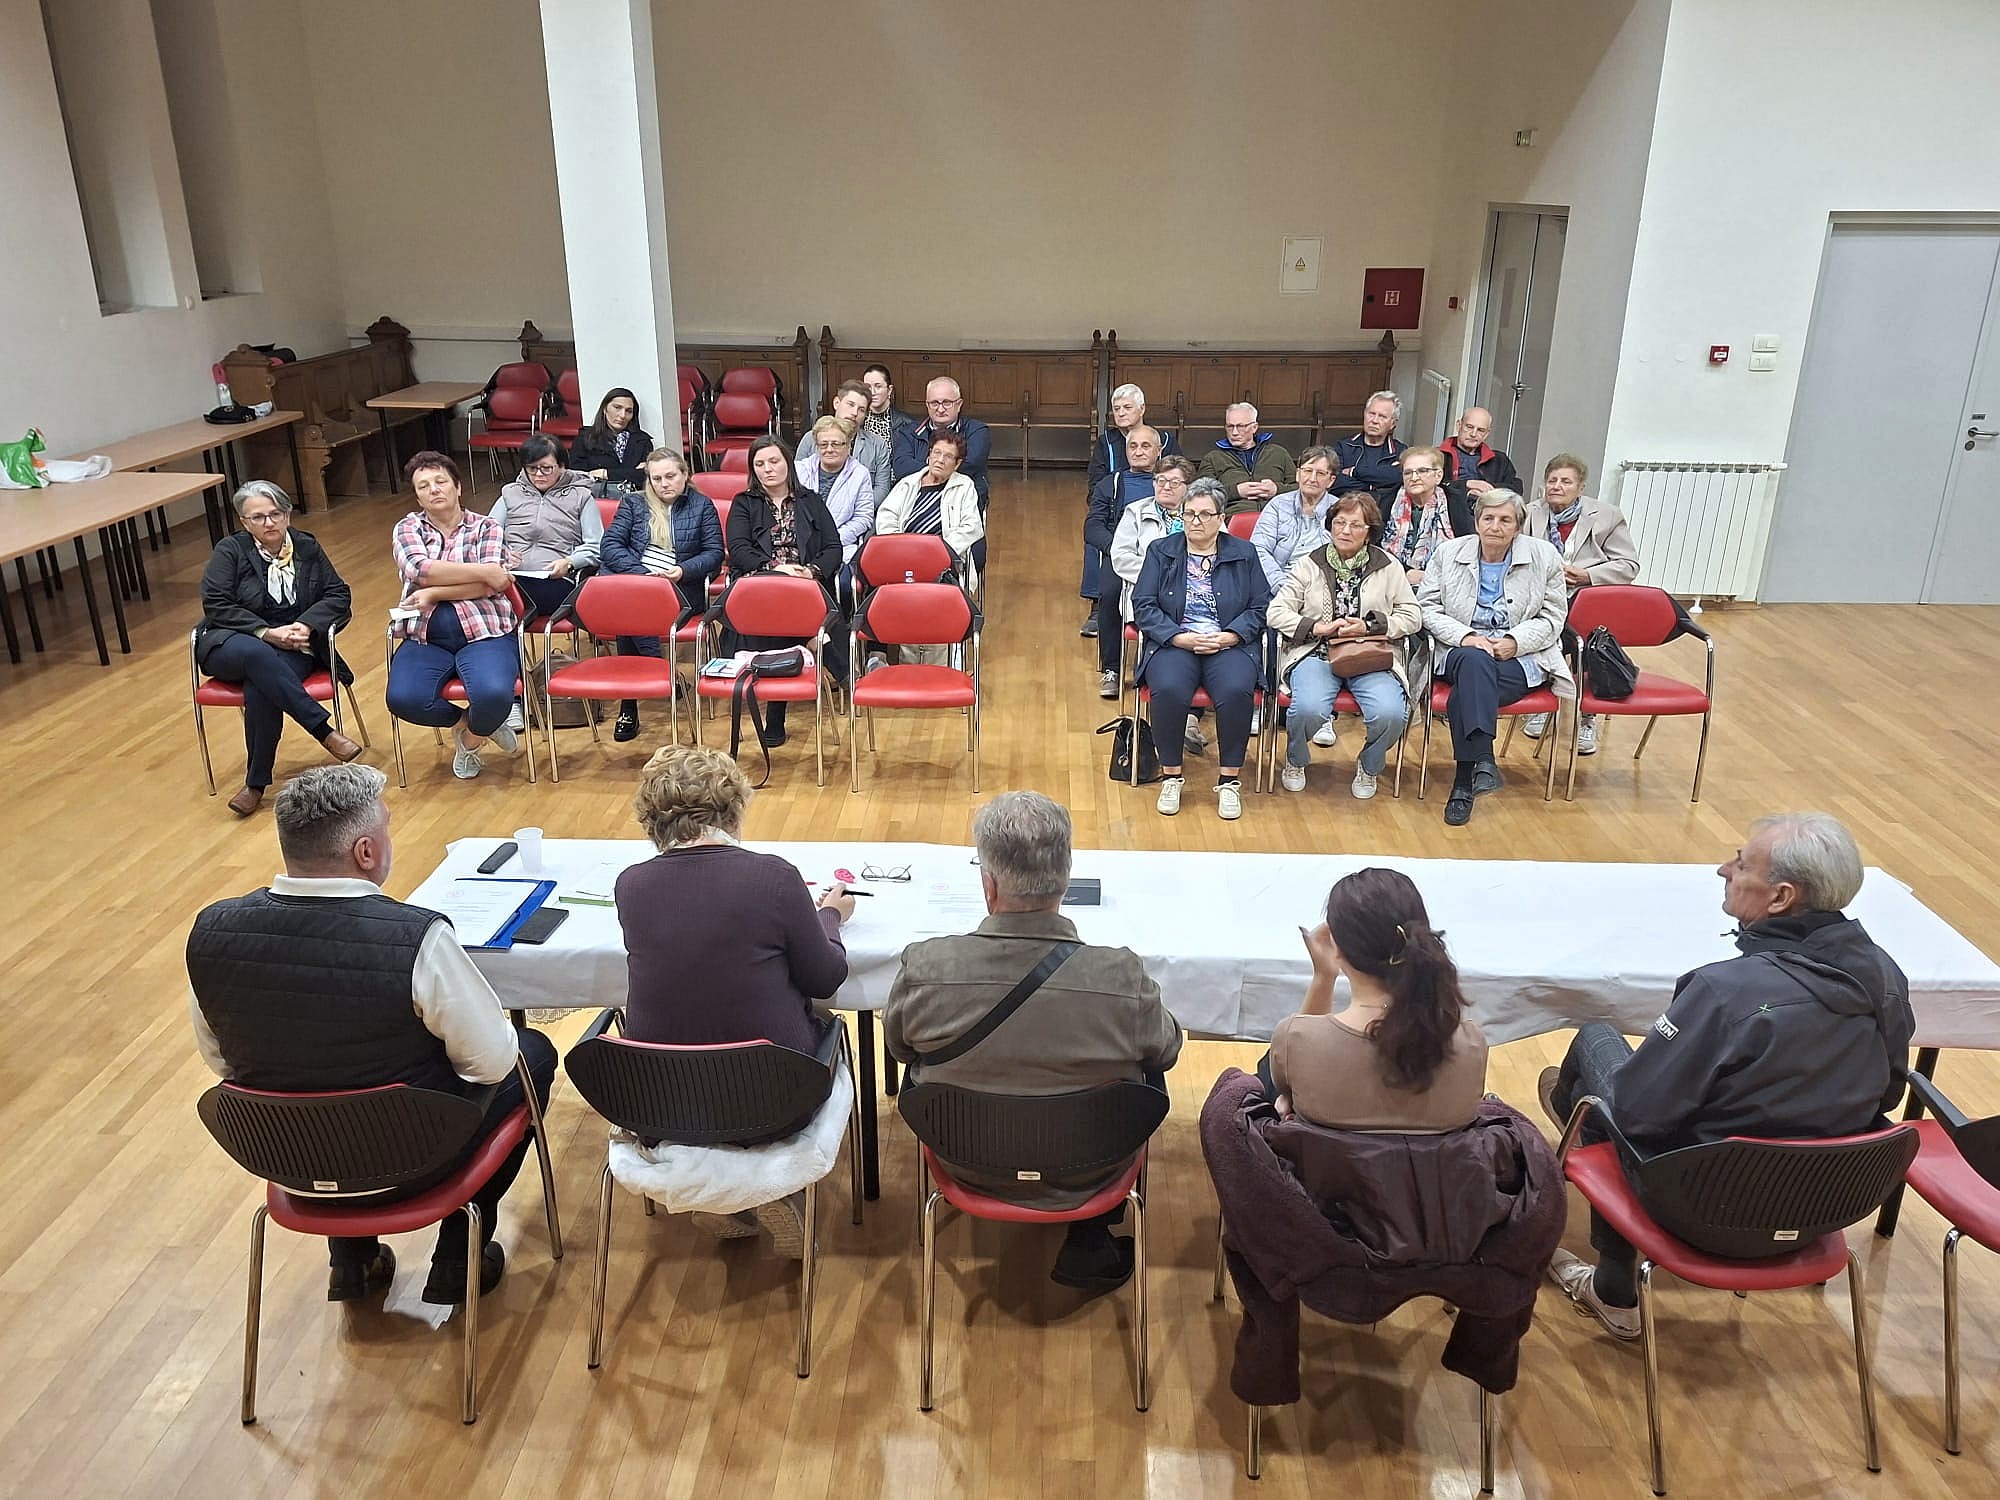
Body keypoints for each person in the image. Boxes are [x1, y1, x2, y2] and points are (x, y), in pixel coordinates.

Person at [186, 764, 558, 1303]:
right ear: (365, 852)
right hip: (412, 1160)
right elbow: (490, 1063)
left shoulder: (211, 933)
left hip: (285, 1157)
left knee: (308, 1082)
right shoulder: (416, 937)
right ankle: (460, 1256)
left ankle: (353, 1263)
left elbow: (222, 1061)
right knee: (532, 1054)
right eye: (385, 826)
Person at [1541, 813, 1915, 1340]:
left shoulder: (1724, 993)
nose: (1723, 870)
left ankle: (1612, 1288)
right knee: (1620, 1100)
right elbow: (1890, 1094)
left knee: (1595, 1060)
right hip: (1823, 1208)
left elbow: (1635, 1113)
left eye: (1740, 865)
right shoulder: (1887, 977)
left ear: (1781, 897)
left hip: (1708, 1209)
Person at [883, 791, 1182, 1293]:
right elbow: (1167, 1052)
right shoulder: (1121, 976)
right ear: (1065, 877)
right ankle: (1091, 1231)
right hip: (1092, 1164)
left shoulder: (926, 968)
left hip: (967, 1158)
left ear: (989, 885)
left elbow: (900, 1050)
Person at [615, 744, 855, 1252]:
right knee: (826, 1032)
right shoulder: (773, 877)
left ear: (651, 820)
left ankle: (725, 1197)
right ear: (733, 809)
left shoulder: (631, 885)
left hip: (663, 1100)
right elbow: (825, 977)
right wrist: (830, 917)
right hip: (773, 1098)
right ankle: (771, 1190)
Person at [1268, 868, 1488, 1130]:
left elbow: (1289, 1074)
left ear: (1337, 945)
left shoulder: (1297, 1040)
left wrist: (1324, 977)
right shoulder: (1471, 1044)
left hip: (1323, 1159)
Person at [195, 481, 363, 818]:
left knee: (262, 686)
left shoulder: (306, 547)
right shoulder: (230, 551)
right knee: (258, 654)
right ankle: (323, 731)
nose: (268, 523)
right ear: (244, 522)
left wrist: (306, 625)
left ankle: (255, 785)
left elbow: (337, 594)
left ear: (287, 515)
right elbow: (216, 603)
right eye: (257, 517)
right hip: (232, 641)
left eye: (275, 514)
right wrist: (266, 632)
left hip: (293, 643)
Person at [1417, 490, 1569, 826]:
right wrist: (1468, 637)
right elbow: (1427, 609)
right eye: (1488, 518)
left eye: (1505, 520)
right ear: (1477, 522)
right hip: (1458, 650)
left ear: (1518, 526)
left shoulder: (1544, 556)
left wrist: (1515, 641)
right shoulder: (1448, 552)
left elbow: (1554, 616)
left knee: (1466, 692)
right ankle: (1483, 760)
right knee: (1474, 660)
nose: (1495, 527)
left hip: (1521, 658)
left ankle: (1464, 782)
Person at [1266, 492, 1422, 799]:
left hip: (1370, 654)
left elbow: (1412, 615)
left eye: (1355, 525)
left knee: (1391, 713)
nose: (1345, 531)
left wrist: (1371, 626)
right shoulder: (1310, 563)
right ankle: (1296, 759)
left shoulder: (1388, 565)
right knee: (1308, 708)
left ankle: (1370, 764)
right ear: (1330, 525)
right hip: (1317, 652)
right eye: (1339, 522)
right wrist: (1317, 627)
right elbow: (1276, 612)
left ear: (1369, 531)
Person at [1131, 478, 1270, 821]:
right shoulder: (1161, 551)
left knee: (1236, 690)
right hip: (1176, 642)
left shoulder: (1244, 553)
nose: (1196, 521)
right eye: (1190, 513)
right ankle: (1171, 776)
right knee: (1168, 688)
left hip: (1228, 643)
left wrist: (1231, 636)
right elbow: (1144, 604)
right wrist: (1177, 636)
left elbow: (1260, 606)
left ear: (1221, 518)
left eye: (1205, 514)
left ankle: (1229, 780)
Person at [385, 451, 524, 781]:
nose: (434, 489)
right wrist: (484, 571)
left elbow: (495, 586)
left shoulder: (486, 526)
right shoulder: (408, 527)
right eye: (423, 486)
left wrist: (434, 593)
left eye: (440, 481)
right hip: (425, 636)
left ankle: (471, 742)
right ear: (417, 496)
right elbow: (420, 570)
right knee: (403, 699)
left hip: (486, 631)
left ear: (458, 487)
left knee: (494, 695)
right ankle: (469, 724)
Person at [1519, 453, 1642, 756]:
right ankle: (1543, 703)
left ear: (1580, 487)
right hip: (1542, 597)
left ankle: (1588, 716)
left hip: (1588, 598)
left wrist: (1588, 575)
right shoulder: (1529, 513)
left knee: (1586, 639)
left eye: (1566, 481)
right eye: (1552, 481)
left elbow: (1628, 566)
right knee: (1539, 630)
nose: (1557, 487)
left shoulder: (1607, 516)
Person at [724, 436, 843, 747]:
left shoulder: (811, 501)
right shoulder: (744, 503)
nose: (767, 469)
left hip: (805, 585)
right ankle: (822, 658)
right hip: (758, 584)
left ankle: (777, 713)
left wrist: (811, 571)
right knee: (783, 614)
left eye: (774, 461)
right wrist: (777, 570)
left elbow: (834, 548)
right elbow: (739, 550)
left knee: (794, 608)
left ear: (788, 463)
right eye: (759, 464)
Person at [601, 447, 724, 741]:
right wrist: (643, 575)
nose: (664, 484)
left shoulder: (701, 505)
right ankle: (662, 677)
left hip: (681, 589)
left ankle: (631, 704)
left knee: (627, 617)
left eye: (670, 476)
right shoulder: (633, 503)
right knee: (632, 608)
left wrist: (682, 570)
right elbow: (610, 545)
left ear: (685, 475)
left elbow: (714, 554)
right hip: (637, 584)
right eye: (656, 479)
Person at [1080, 383, 1180, 634]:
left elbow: (1182, 476)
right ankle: (1100, 609)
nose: (1121, 413)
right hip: (1119, 531)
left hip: (1165, 540)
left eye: (1127, 407)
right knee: (1097, 536)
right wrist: (1117, 546)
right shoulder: (1107, 449)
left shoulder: (1169, 465)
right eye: (1116, 409)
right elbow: (1095, 496)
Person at [488, 433, 604, 623]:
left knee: (494, 598)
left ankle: (504, 625)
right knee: (484, 590)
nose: (539, 474)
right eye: (532, 468)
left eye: (546, 468)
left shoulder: (581, 497)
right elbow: (487, 537)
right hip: (510, 576)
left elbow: (597, 545)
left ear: (562, 466)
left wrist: (569, 562)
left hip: (554, 580)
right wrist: (503, 554)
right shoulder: (510, 494)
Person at [1084, 425, 1163, 695]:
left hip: (1165, 556)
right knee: (1109, 594)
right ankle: (1113, 668)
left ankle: (1158, 665)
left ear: (1159, 451)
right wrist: (1117, 549)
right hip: (1123, 555)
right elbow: (1093, 526)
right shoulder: (1111, 483)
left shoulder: (1169, 483)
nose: (1138, 451)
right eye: (1133, 446)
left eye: (1145, 446)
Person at [876, 428, 984, 594]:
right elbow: (887, 515)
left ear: (957, 464)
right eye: (937, 453)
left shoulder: (964, 486)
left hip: (943, 561)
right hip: (903, 555)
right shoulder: (908, 483)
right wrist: (900, 547)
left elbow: (972, 526)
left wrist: (937, 552)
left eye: (948, 456)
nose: (940, 460)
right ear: (929, 455)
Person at [1250, 444, 1338, 592]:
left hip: (1322, 589)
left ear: (1331, 480)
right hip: (1278, 586)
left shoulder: (1339, 510)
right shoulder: (1278, 505)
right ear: (1298, 474)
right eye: (1307, 471)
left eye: (1320, 473)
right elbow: (1259, 549)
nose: (1312, 479)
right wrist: (1281, 586)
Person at [794, 415, 876, 564]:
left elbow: (863, 517)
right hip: (799, 544)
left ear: (848, 446)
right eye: (823, 444)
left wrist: (833, 539)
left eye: (836, 444)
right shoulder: (799, 470)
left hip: (840, 545)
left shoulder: (860, 474)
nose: (829, 449)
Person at [796, 379, 894, 502]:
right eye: (850, 405)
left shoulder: (878, 445)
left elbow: (882, 489)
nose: (854, 413)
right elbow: (795, 479)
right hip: (813, 509)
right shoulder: (810, 439)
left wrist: (858, 507)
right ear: (836, 403)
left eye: (861, 409)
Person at [1198, 402, 1295, 515]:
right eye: (1230, 426)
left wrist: (1276, 490)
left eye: (1241, 426)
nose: (1234, 432)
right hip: (1234, 516)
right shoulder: (1213, 458)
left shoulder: (1278, 453)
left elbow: (1300, 489)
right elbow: (1201, 495)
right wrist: (1236, 491)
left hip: (1277, 515)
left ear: (1254, 427)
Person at [1380, 445, 1456, 585]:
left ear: (1438, 475)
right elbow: (1375, 550)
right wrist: (1405, 572)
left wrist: (1429, 576)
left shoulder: (1455, 503)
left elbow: (1464, 550)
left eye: (1422, 471)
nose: (1414, 478)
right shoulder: (1387, 502)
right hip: (1391, 580)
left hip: (1441, 583)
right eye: (1408, 473)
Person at [1438, 407, 1520, 533]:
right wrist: (1467, 485)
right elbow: (1433, 485)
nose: (1473, 434)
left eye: (1480, 430)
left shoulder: (1499, 460)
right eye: (1469, 427)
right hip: (1448, 517)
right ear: (1459, 425)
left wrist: (1488, 491)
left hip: (1489, 517)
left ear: (1487, 433)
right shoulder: (1438, 456)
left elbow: (1516, 488)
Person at [568, 387, 656, 493]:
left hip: (634, 497)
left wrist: (605, 473)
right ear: (605, 409)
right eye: (617, 407)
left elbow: (645, 477)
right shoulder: (585, 438)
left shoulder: (642, 441)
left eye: (628, 411)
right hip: (596, 497)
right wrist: (631, 472)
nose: (622, 415)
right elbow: (579, 476)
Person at [1333, 390, 1410, 503]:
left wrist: (1354, 472)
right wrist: (1374, 485)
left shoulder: (1400, 451)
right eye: (1371, 414)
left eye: (1382, 416)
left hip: (1383, 511)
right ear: (1364, 414)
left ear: (1393, 424)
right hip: (1347, 509)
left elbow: (1398, 478)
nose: (1374, 420)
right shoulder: (1344, 447)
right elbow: (1334, 483)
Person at [859, 362, 919, 460]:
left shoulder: (906, 423)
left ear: (889, 390)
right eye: (868, 387)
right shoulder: (858, 420)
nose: (872, 392)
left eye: (878, 386)